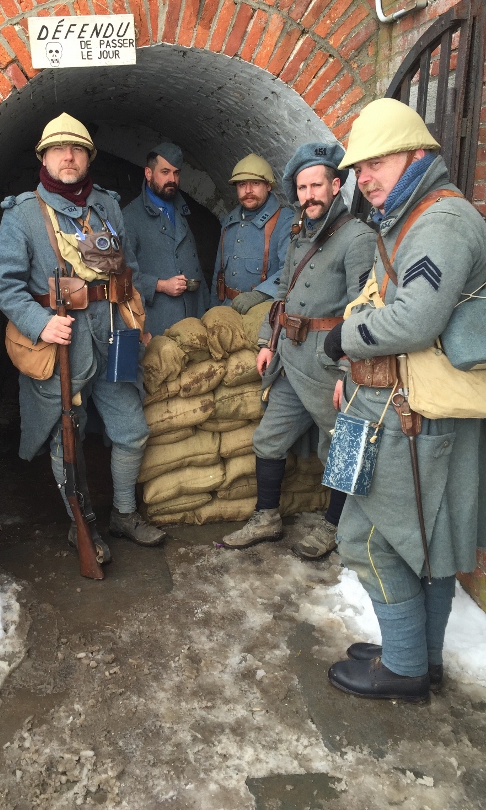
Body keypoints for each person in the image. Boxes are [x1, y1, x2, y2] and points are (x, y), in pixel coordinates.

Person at [322, 98, 486, 702]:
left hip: (413, 414)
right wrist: (354, 367)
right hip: (391, 402)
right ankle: (416, 652)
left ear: (417, 155)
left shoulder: (439, 222)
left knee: (369, 536)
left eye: (376, 164)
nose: (364, 179)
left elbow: (415, 320)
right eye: (358, 170)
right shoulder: (408, 217)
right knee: (428, 542)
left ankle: (405, 667)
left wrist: (342, 338)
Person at [0, 113, 165, 561]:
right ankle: (81, 525)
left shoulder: (106, 206)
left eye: (77, 149)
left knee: (132, 430)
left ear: (88, 157)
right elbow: (5, 285)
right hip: (61, 343)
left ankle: (124, 514)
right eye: (58, 149)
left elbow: (128, 269)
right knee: (66, 437)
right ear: (44, 158)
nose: (68, 157)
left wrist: (136, 319)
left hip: (112, 338)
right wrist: (39, 322)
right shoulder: (24, 213)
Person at [222, 143, 377, 556]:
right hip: (290, 359)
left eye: (317, 185)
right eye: (303, 187)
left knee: (343, 448)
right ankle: (267, 518)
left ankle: (336, 527)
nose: (309, 195)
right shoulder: (298, 235)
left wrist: (348, 374)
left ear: (336, 186)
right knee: (268, 440)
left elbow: (363, 313)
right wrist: (266, 342)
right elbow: (283, 298)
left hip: (329, 367)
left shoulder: (358, 238)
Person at [123, 143, 208, 335]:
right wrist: (161, 285)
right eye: (165, 172)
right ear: (148, 173)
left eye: (176, 173)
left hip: (194, 317)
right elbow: (122, 276)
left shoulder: (183, 209)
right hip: (158, 321)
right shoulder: (130, 217)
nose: (172, 179)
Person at [210, 154, 293, 314]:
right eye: (242, 184)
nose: (248, 191)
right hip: (225, 311)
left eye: (255, 183)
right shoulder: (228, 222)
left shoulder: (285, 221)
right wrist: (212, 310)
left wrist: (259, 295)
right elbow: (218, 273)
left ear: (268, 186)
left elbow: (290, 269)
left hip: (262, 314)